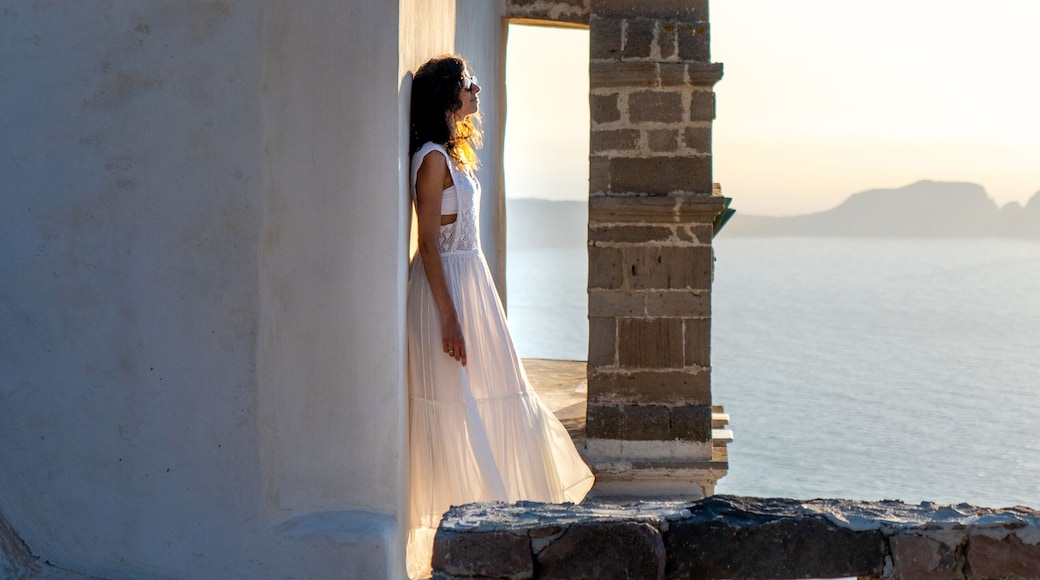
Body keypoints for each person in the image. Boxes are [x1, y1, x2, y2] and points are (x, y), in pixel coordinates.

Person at [406, 54, 595, 577]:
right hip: (447, 293)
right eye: (468, 83)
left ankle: (501, 524)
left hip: (472, 286)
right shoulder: (431, 159)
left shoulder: (452, 154)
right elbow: (428, 243)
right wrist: (448, 318)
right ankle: (469, 536)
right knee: (458, 405)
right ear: (448, 94)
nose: (477, 90)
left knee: (500, 393)